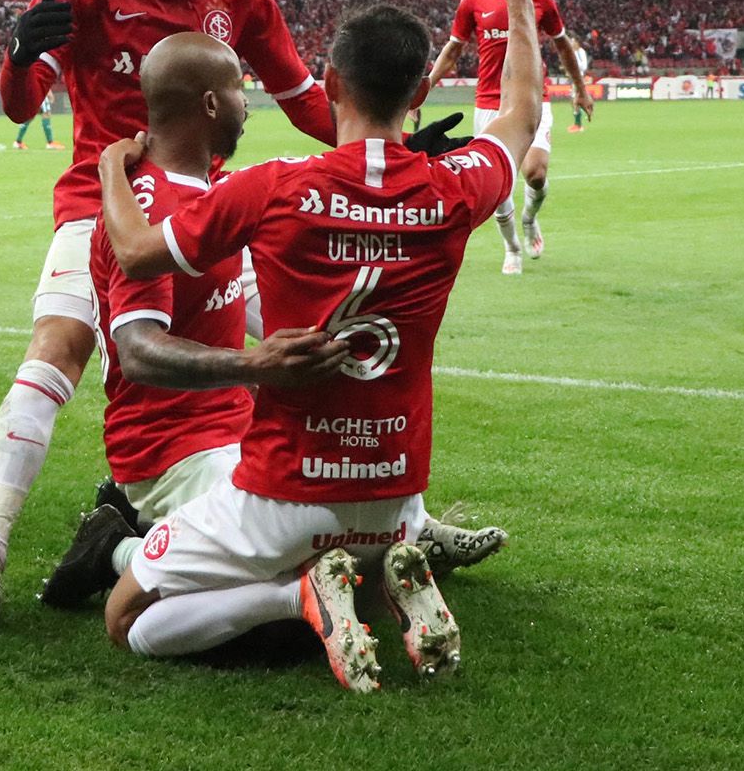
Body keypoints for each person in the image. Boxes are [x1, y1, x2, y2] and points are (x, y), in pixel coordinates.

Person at [92, 0, 547, 692]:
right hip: (397, 500)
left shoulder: (274, 187)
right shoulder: (455, 187)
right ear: (418, 94)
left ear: (330, 82)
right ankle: (382, 577)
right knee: (367, 537)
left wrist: (111, 166)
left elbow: (137, 252)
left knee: (126, 618)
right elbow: (521, 114)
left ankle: (298, 594)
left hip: (285, 495)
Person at [0, 0, 338, 616]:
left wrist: (387, 143)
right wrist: (19, 55)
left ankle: (390, 517)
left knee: (317, 345)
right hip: (103, 202)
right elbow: (21, 106)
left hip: (203, 212)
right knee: (57, 347)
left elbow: (302, 99)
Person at [39, 32, 504, 611]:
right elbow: (137, 351)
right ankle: (115, 547)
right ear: (212, 104)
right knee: (325, 571)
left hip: (238, 429)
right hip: (170, 445)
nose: (249, 103)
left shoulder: (211, 193)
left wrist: (402, 168)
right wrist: (253, 364)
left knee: (331, 521)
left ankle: (410, 528)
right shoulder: (150, 205)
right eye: (240, 89)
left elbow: (297, 291)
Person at [426, 0, 592, 274]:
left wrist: (580, 88)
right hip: (489, 101)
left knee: (535, 173)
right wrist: (426, 85)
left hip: (532, 96)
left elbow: (563, 47)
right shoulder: (472, 1)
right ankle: (512, 248)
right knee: (497, 187)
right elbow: (453, 49)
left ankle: (530, 218)